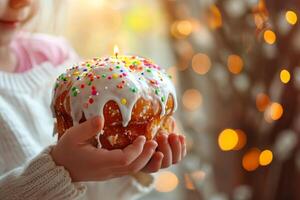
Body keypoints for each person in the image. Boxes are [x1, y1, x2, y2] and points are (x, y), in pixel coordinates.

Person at [0, 0, 187, 199]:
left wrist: (130, 165)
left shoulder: (53, 55)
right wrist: (64, 170)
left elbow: (93, 193)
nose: (22, 2)